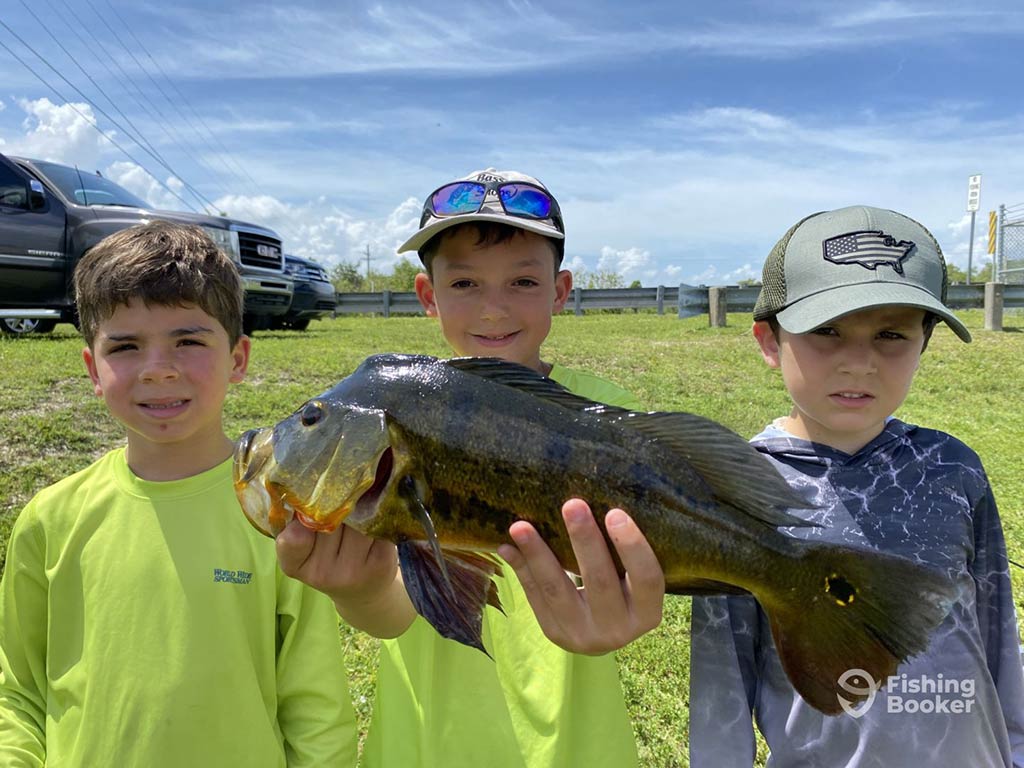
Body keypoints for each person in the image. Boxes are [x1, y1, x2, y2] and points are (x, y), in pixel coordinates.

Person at [276, 168, 666, 767]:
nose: (493, 308)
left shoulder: (609, 417)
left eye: (522, 281)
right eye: (463, 282)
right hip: (427, 744)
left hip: (576, 747)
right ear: (427, 295)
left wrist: (626, 617)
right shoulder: (380, 423)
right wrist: (356, 588)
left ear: (560, 291)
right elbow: (392, 609)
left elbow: (633, 579)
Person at [0, 222, 358, 766]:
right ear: (92, 369)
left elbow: (317, 712)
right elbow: (16, 691)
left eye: (188, 341)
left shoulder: (287, 519)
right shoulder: (50, 519)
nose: (159, 370)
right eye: (125, 346)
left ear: (238, 358)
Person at [689, 205, 1024, 767]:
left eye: (891, 333)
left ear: (924, 343)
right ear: (769, 341)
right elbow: (722, 673)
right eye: (826, 331)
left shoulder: (953, 467)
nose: (860, 361)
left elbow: (995, 625)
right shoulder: (737, 485)